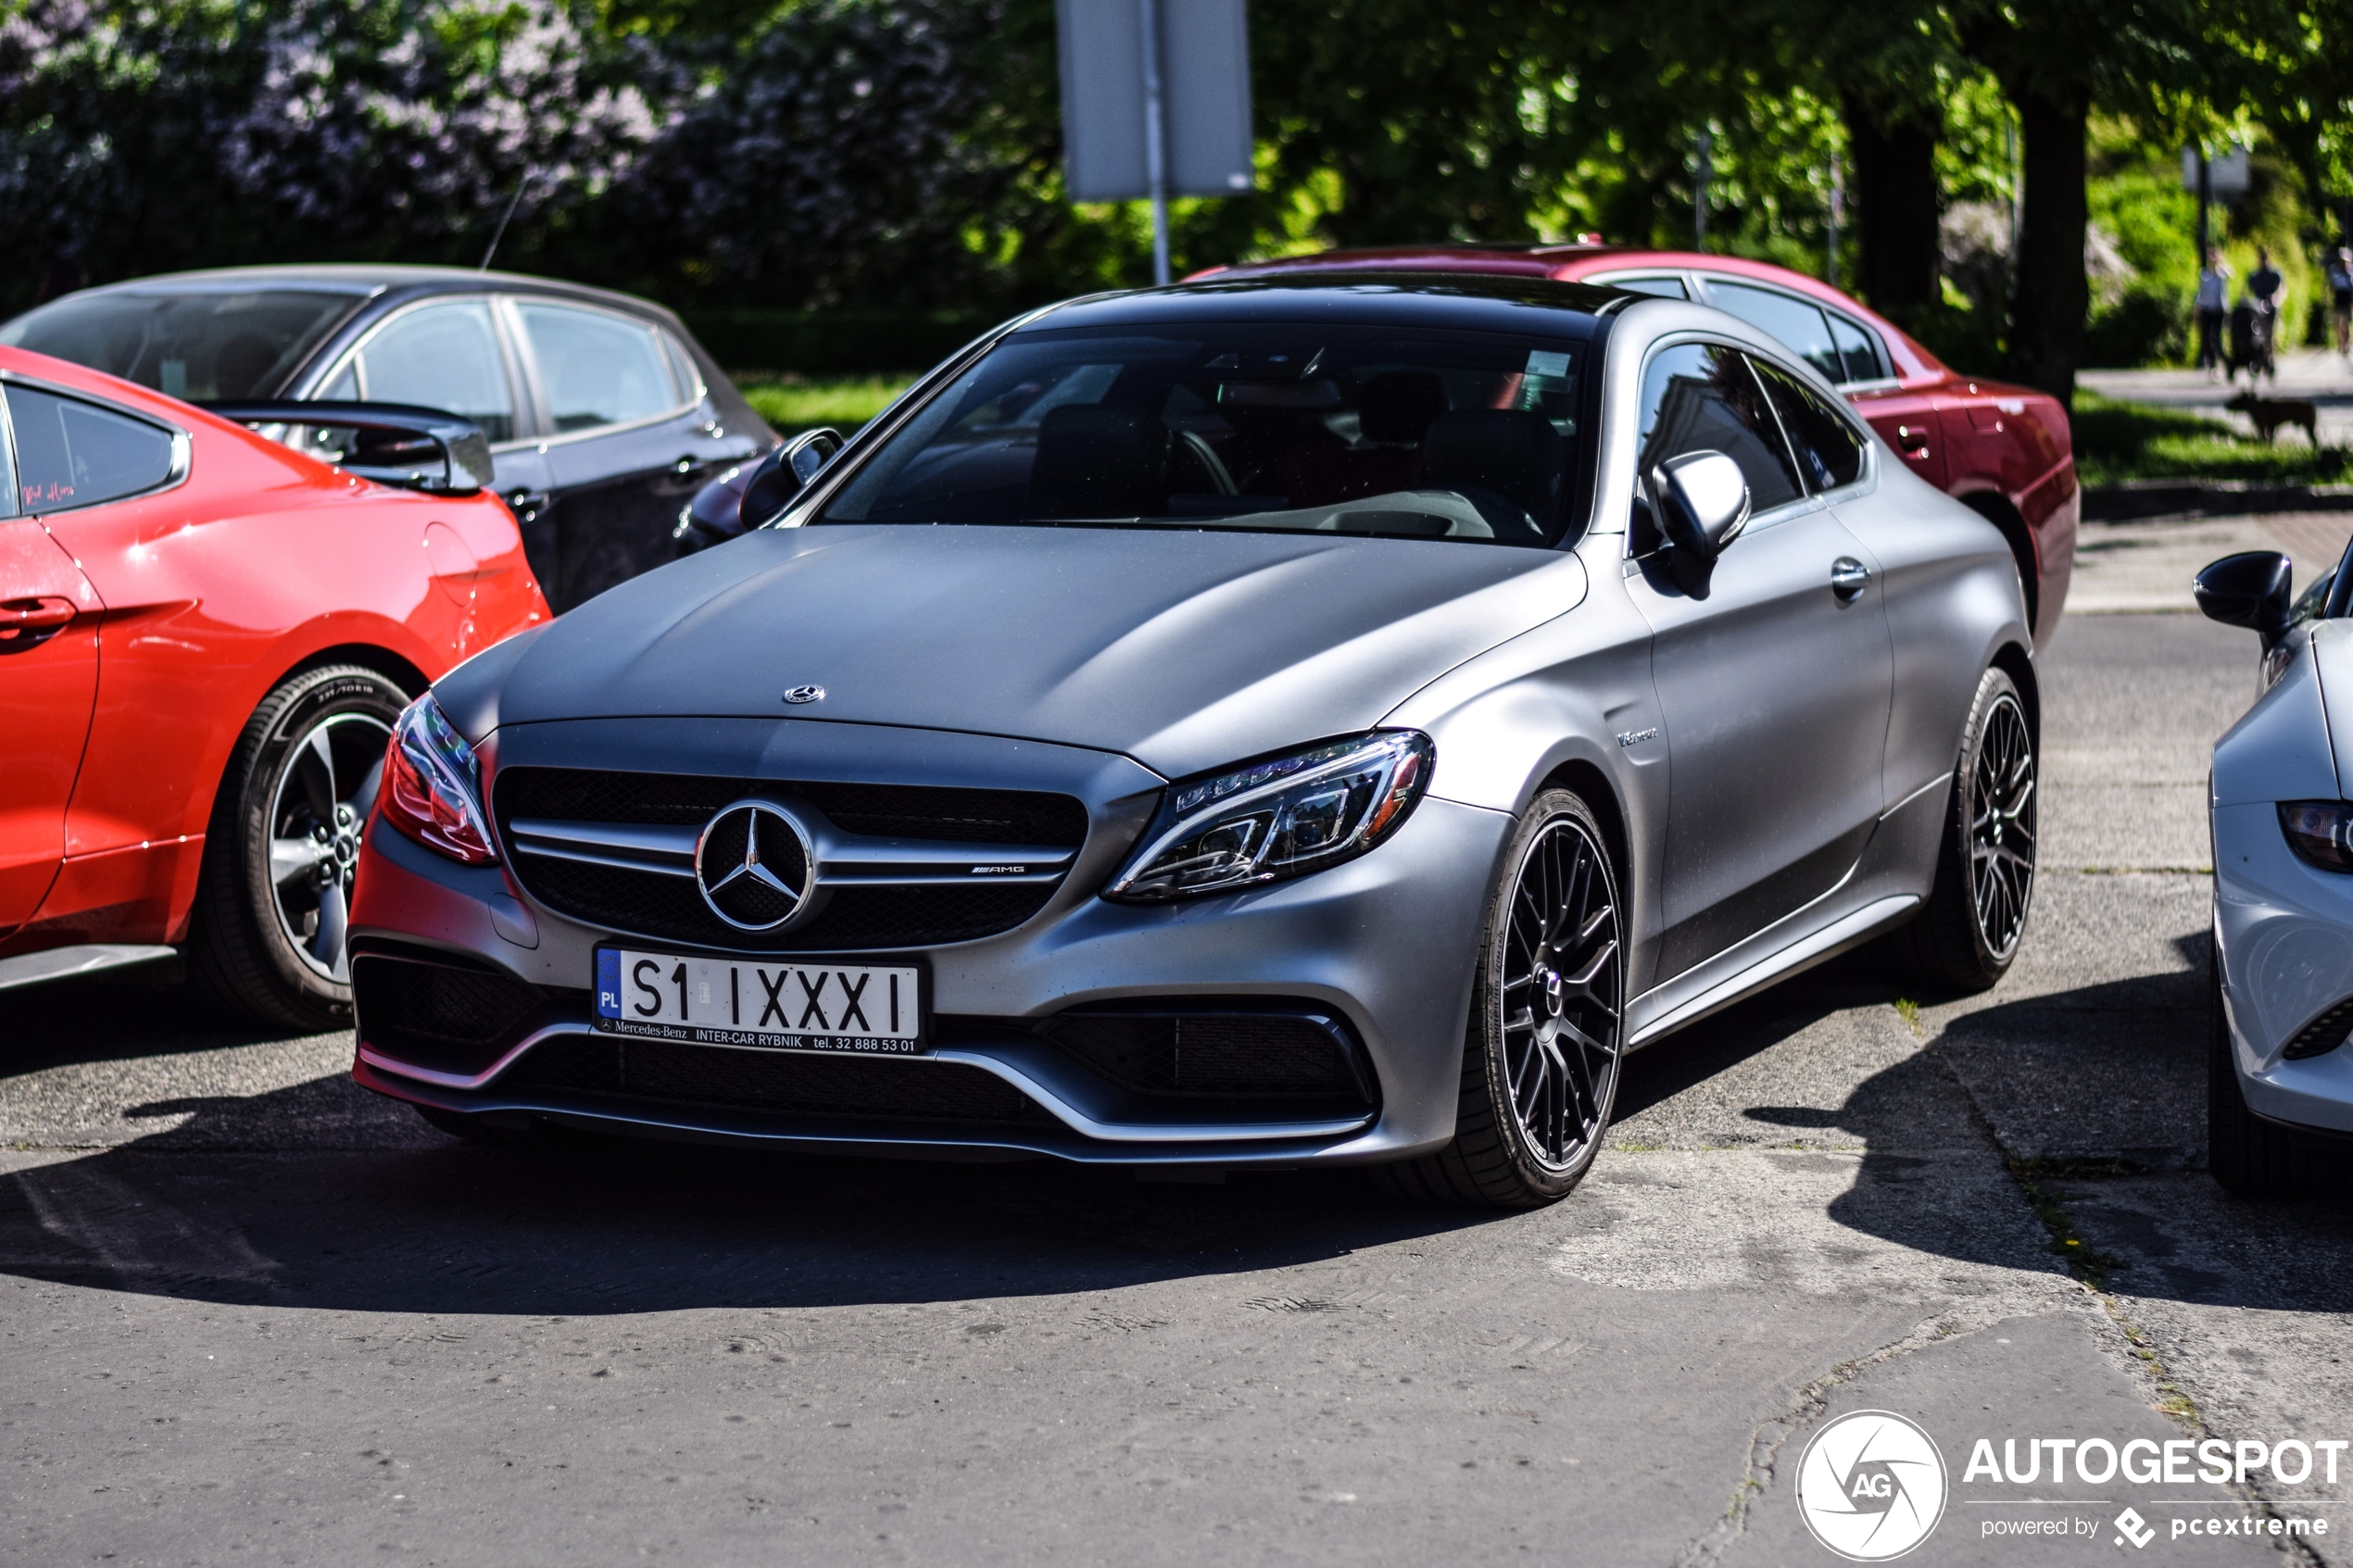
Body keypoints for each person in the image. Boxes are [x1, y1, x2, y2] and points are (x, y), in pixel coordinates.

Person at [2196, 247, 2231, 377]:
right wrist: (2197, 310)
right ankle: (2212, 365)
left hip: (2219, 310)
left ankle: (2226, 363)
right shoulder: (2203, 273)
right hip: (2206, 309)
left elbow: (2230, 274)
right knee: (2205, 339)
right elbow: (2200, 293)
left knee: (2216, 339)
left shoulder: (2222, 273)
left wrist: (2220, 262)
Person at [2329, 245, 2353, 357]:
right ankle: (2340, 342)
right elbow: (2332, 286)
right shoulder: (2335, 271)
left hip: (2348, 300)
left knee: (2346, 323)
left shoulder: (2351, 273)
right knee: (2337, 323)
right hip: (2338, 299)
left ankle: (2346, 344)